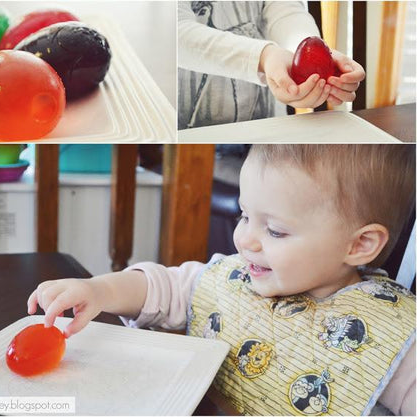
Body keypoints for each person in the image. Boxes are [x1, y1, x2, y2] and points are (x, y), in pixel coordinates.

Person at [28, 145, 415, 416]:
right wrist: (100, 290)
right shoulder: (231, 278)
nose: (244, 240)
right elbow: (163, 287)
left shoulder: (395, 337)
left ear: (360, 244)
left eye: (275, 231)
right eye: (245, 216)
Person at [178, 1, 366, 129]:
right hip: (185, 136)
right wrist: (264, 56)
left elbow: (285, 12)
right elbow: (173, 32)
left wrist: (306, 60)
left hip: (268, 128)